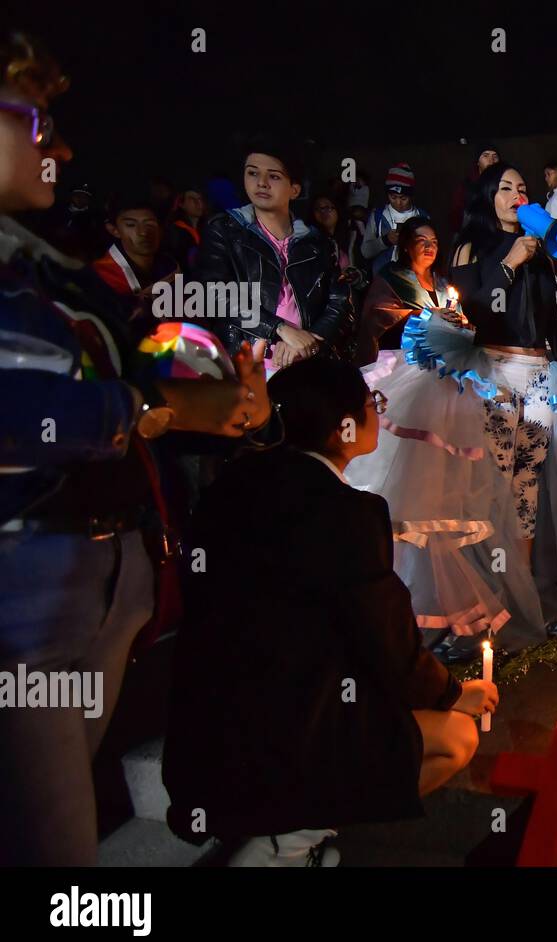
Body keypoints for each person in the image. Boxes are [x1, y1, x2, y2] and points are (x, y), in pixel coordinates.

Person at [0, 30, 274, 865]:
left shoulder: (41, 270)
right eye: (38, 121)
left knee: (45, 814)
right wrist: (160, 401)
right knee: (57, 850)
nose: (62, 144)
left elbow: (128, 372)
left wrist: (214, 387)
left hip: (99, 593)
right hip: (26, 612)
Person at [163, 358, 494, 867]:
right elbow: (388, 641)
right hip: (287, 729)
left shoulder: (229, 488)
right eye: (370, 405)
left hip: (207, 725)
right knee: (455, 738)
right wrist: (454, 693)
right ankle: (286, 845)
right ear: (342, 428)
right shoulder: (347, 513)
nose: (377, 415)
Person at [348, 163, 557, 655]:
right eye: (506, 188)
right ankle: (491, 604)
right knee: (496, 489)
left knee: (527, 491)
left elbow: (553, 328)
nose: (516, 195)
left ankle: (521, 601)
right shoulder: (469, 248)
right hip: (493, 377)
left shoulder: (545, 249)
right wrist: (508, 265)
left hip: (541, 379)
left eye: (522, 188)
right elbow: (473, 316)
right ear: (489, 197)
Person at [196, 137, 355, 367]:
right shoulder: (226, 231)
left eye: (273, 176)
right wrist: (280, 329)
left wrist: (309, 341)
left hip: (307, 362)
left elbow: (339, 300)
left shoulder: (316, 241)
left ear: (294, 189)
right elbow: (217, 294)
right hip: (249, 362)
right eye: (252, 173)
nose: (261, 183)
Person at [355, 216, 459, 366]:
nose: (429, 246)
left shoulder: (442, 281)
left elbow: (456, 313)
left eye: (434, 242)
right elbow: (377, 318)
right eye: (421, 240)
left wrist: (458, 320)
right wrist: (429, 315)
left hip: (445, 359)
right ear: (406, 245)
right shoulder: (392, 277)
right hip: (402, 362)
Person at [90, 194, 178, 323]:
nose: (143, 232)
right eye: (131, 225)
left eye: (150, 224)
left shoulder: (173, 269)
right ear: (114, 230)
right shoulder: (99, 277)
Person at [361, 163, 431, 276]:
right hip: (382, 281)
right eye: (393, 197)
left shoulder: (422, 217)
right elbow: (365, 251)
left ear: (411, 195)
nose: (398, 202)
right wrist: (385, 240)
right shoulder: (377, 216)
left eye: (403, 198)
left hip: (414, 280)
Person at [310, 191, 367, 295]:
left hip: (351, 300)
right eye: (319, 209)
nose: (324, 212)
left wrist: (355, 276)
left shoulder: (352, 235)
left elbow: (364, 266)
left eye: (329, 207)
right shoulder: (310, 242)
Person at [449, 143, 500, 242]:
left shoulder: (505, 185)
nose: (491, 160)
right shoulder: (467, 186)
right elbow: (455, 216)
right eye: (485, 155)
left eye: (495, 156)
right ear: (477, 162)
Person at [165, 185, 206, 269]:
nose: (198, 203)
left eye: (199, 199)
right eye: (192, 199)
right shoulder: (176, 231)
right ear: (181, 204)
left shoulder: (208, 228)